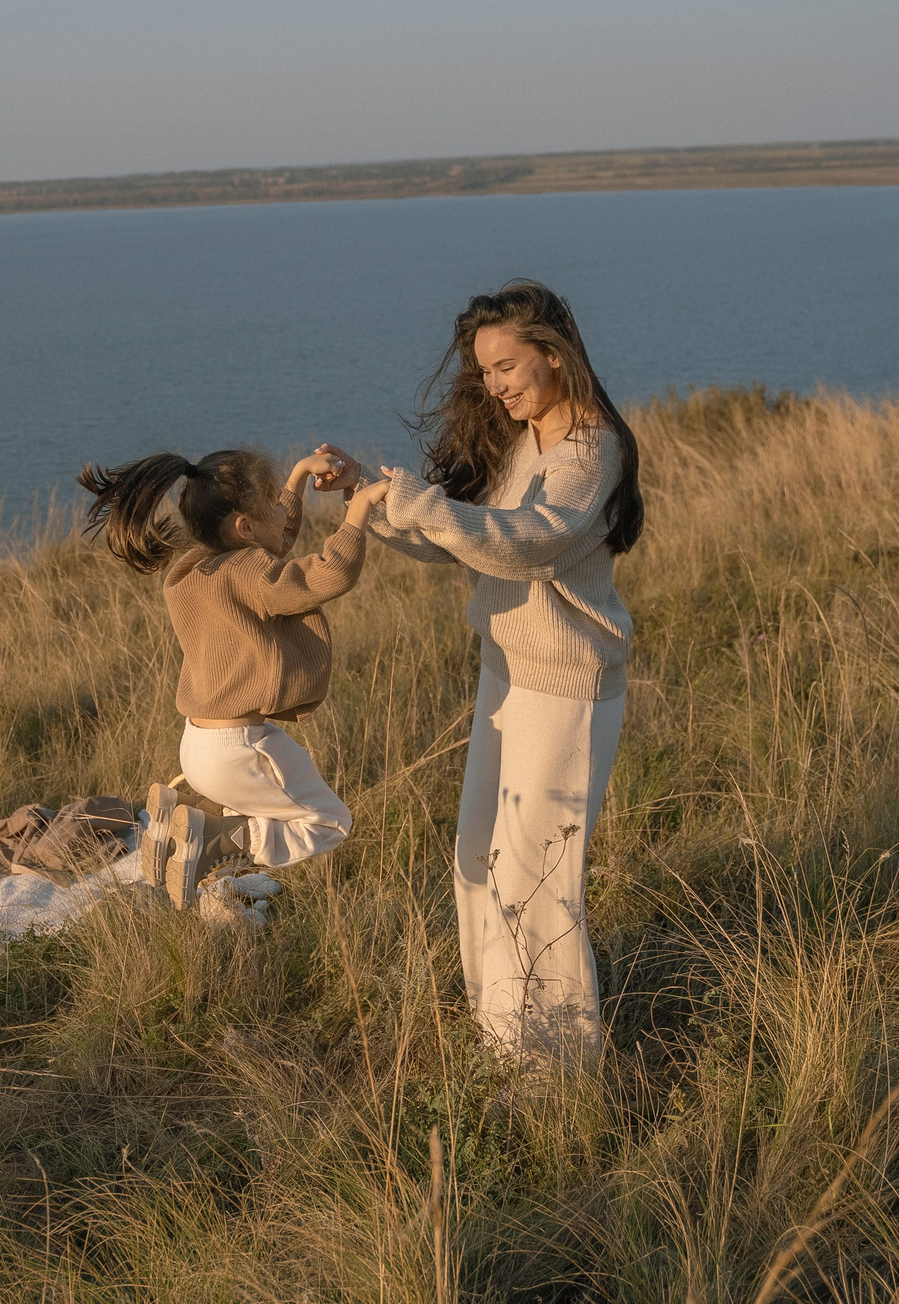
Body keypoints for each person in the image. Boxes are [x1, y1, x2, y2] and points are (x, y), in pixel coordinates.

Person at [318, 281, 642, 1061]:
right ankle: (501, 1043)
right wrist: (374, 493)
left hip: (565, 688)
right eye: (483, 371)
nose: (492, 386)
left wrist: (423, 502)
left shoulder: (591, 451)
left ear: (554, 352)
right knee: (477, 862)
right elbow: (462, 539)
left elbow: (527, 541)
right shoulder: (522, 438)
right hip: (507, 673)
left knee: (534, 882)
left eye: (505, 365)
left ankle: (553, 1077)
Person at [76, 445, 389, 906]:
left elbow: (271, 540)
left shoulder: (190, 568)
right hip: (242, 748)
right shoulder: (250, 572)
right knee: (328, 823)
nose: (284, 519)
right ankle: (220, 840)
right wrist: (356, 513)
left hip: (197, 749)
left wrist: (299, 474)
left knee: (254, 806)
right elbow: (323, 577)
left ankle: (177, 822)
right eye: (274, 509)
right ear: (244, 527)